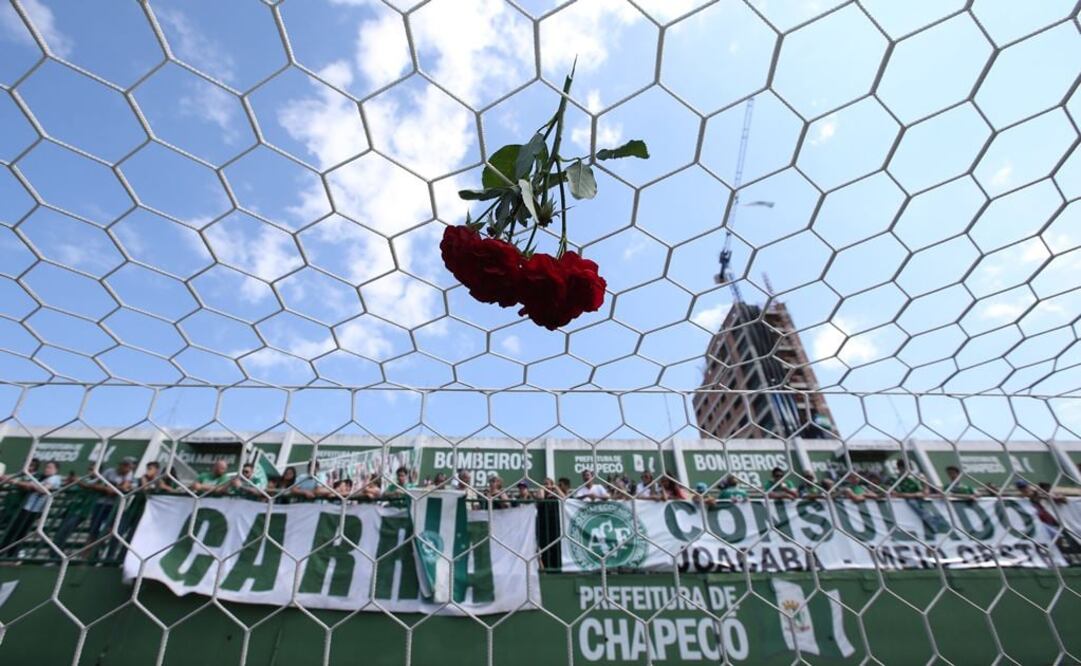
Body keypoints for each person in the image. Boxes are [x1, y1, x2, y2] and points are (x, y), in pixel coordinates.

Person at [0, 460, 63, 556]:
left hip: (34, 510)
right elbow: (31, 486)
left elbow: (42, 489)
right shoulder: (43, 478)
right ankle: (7, 552)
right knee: (14, 531)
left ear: (56, 469)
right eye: (46, 467)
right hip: (27, 507)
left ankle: (13, 554)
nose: (47, 469)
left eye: (50, 467)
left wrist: (28, 484)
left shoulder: (55, 478)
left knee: (19, 532)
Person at [85, 457, 136, 560]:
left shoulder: (130, 475)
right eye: (125, 465)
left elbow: (126, 488)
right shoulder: (109, 472)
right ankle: (89, 556)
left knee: (111, 529)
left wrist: (113, 489)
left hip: (116, 506)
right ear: (120, 465)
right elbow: (96, 484)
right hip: (102, 503)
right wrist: (107, 488)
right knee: (93, 530)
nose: (127, 469)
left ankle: (101, 546)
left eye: (129, 467)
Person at [51, 464, 100, 556]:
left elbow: (88, 487)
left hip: (82, 511)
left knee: (63, 533)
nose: (90, 471)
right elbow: (69, 490)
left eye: (93, 469)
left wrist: (77, 481)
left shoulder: (100, 481)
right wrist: (69, 482)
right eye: (89, 469)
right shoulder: (84, 479)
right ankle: (56, 556)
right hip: (71, 509)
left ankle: (56, 557)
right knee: (59, 534)